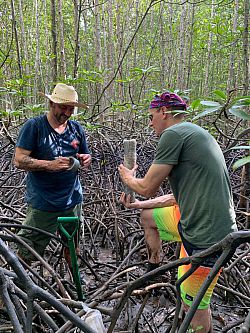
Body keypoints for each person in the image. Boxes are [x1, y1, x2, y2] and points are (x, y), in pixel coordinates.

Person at [118, 92, 238, 333]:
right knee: (148, 218)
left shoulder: (173, 134)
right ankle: (154, 269)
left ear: (164, 112)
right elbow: (176, 197)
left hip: (207, 236)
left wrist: (128, 178)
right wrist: (138, 205)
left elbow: (147, 187)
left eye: (151, 116)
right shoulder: (195, 133)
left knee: (194, 305)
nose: (150, 123)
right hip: (197, 221)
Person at [14, 83, 91, 270]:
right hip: (43, 202)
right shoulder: (35, 127)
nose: (67, 112)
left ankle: (75, 286)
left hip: (72, 200)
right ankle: (19, 289)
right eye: (63, 107)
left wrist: (85, 159)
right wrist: (50, 165)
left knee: (72, 246)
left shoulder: (76, 129)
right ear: (51, 104)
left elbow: (85, 156)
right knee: (27, 251)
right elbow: (18, 160)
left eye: (71, 108)